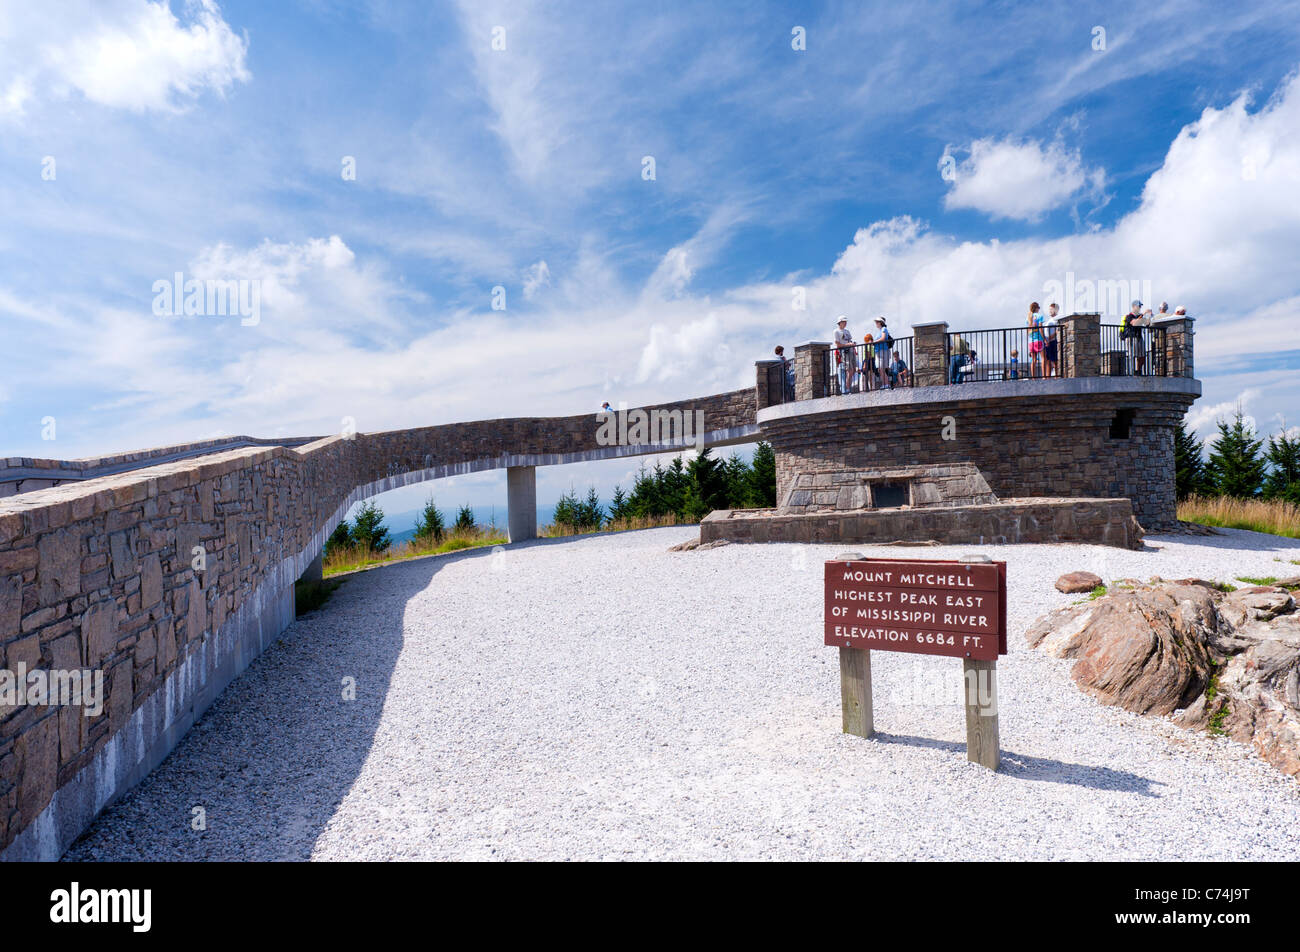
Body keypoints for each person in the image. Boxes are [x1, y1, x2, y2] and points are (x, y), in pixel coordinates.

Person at [1121, 300, 1149, 374]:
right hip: (1131, 337)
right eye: (1139, 306)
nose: (1140, 308)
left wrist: (1149, 316)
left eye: (1140, 306)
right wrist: (1143, 314)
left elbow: (1147, 324)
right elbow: (1134, 323)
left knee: (1142, 356)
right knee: (1133, 356)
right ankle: (1131, 372)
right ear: (1134, 307)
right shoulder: (1129, 316)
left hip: (1139, 337)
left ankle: (1138, 371)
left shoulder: (1140, 316)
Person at [833, 316, 856, 394]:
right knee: (849, 370)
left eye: (846, 322)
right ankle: (847, 388)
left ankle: (847, 387)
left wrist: (852, 344)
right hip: (844, 352)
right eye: (844, 322)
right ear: (840, 322)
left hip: (851, 351)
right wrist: (848, 345)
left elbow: (849, 340)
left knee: (853, 370)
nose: (845, 323)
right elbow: (838, 344)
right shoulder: (836, 331)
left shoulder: (847, 331)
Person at [872, 317, 893, 389]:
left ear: (880, 322)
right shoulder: (879, 331)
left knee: (882, 368)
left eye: (877, 322)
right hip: (878, 351)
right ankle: (884, 384)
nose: (876, 324)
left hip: (883, 350)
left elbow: (883, 338)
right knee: (880, 369)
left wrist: (874, 342)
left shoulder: (884, 329)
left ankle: (886, 384)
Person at [1027, 302, 1045, 378]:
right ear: (1037, 308)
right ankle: (1044, 376)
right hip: (1039, 340)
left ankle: (1033, 377)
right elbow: (1040, 328)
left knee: (1033, 360)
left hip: (1031, 341)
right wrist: (1044, 339)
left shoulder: (1028, 317)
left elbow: (1028, 331)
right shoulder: (1040, 316)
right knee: (1043, 358)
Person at [1044, 303, 1060, 377]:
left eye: (1051, 309)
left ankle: (1056, 376)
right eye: (1049, 309)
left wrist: (1049, 339)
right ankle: (1048, 377)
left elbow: (1057, 331)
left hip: (1053, 342)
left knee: (1055, 361)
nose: (1050, 311)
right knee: (1048, 361)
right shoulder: (1049, 320)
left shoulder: (1057, 320)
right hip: (1047, 342)